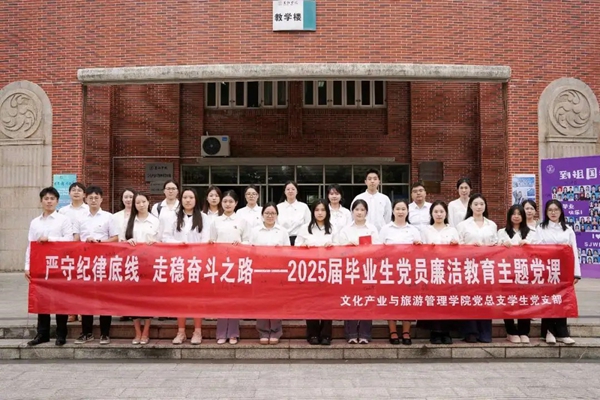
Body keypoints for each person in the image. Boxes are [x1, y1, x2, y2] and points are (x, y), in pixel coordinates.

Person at [25, 187, 74, 347]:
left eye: (52, 199)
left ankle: (61, 334)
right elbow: (30, 245)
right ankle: (42, 334)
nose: (49, 201)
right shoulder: (35, 222)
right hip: (41, 267)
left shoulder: (63, 220)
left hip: (59, 265)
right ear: (41, 201)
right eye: (46, 199)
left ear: (57, 201)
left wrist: (50, 239)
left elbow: (69, 240)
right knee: (42, 300)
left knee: (60, 300)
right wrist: (27, 266)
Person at [163, 188, 210, 345]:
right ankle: (181, 331)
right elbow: (165, 237)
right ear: (181, 199)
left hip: (197, 263)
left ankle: (197, 331)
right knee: (180, 298)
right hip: (178, 263)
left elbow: (205, 239)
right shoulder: (173, 217)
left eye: (191, 197)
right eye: (185, 197)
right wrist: (178, 244)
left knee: (197, 298)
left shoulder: (203, 217)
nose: (188, 200)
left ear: (196, 200)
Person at [72, 186, 119, 345]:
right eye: (90, 198)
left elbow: (115, 238)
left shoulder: (108, 217)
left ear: (101, 199)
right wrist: (83, 242)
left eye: (96, 198)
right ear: (86, 199)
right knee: (86, 298)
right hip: (85, 262)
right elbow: (76, 239)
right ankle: (86, 332)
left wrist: (99, 242)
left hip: (104, 262)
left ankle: (105, 333)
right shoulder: (80, 218)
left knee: (105, 297)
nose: (93, 200)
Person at [535, 200, 580, 345]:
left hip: (564, 271)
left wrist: (576, 273)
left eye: (556, 210)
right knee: (548, 300)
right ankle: (548, 331)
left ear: (561, 211)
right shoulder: (541, 228)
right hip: (547, 269)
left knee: (562, 300)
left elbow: (574, 251)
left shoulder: (568, 229)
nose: (553, 213)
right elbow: (537, 247)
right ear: (546, 212)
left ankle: (562, 332)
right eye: (550, 210)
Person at [210, 190, 250, 345]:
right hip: (220, 264)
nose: (227, 204)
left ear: (236, 203)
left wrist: (240, 244)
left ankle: (233, 333)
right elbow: (211, 240)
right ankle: (221, 333)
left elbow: (248, 241)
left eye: (231, 202)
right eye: (225, 201)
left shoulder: (242, 221)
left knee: (234, 299)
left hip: (237, 264)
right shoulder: (215, 221)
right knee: (221, 299)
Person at [379, 199, 422, 345]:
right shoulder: (385, 229)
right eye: (397, 209)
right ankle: (392, 331)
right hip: (390, 271)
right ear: (393, 211)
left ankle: (406, 332)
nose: (400, 211)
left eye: (403, 209)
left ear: (407, 211)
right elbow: (378, 250)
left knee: (407, 301)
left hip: (408, 271)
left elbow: (420, 251)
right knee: (391, 300)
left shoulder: (413, 230)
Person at [456, 193, 498, 343]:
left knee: (485, 299)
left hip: (487, 267)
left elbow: (496, 244)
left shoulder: (492, 225)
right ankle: (470, 331)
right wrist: (469, 247)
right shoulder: (463, 225)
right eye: (476, 204)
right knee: (469, 298)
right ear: (470, 206)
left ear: (485, 206)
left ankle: (485, 332)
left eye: (481, 204)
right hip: (469, 266)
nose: (479, 207)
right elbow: (457, 245)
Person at [339, 200, 381, 345]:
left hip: (367, 269)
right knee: (350, 300)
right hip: (350, 269)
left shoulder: (372, 229)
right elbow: (339, 250)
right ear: (352, 212)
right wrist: (348, 246)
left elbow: (378, 248)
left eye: (362, 210)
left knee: (366, 300)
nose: (359, 212)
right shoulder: (345, 230)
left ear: (366, 213)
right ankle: (351, 334)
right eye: (356, 209)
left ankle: (364, 334)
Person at [296, 199, 336, 345]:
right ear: (313, 212)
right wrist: (303, 246)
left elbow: (341, 246)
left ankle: (326, 334)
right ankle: (312, 334)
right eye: (317, 210)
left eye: (323, 210)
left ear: (327, 212)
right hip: (309, 271)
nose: (320, 213)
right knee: (311, 302)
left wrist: (333, 245)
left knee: (327, 302)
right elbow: (296, 246)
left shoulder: (333, 228)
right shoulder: (305, 228)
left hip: (329, 270)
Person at [121, 192, 159, 345]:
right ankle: (137, 331)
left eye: (143, 201)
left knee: (148, 299)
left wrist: (154, 243)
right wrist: (127, 242)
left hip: (150, 265)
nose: (141, 205)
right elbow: (121, 241)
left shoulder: (155, 221)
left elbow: (162, 240)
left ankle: (146, 331)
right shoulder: (128, 221)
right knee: (134, 300)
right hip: (132, 265)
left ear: (149, 202)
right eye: (138, 202)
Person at [249, 203, 290, 345]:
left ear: (277, 215)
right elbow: (249, 250)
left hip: (277, 272)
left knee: (275, 301)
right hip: (260, 271)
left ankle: (275, 331)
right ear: (262, 215)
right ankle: (263, 331)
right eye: (267, 213)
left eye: (273, 213)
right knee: (262, 302)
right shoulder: (255, 231)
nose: (270, 216)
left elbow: (289, 252)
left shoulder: (282, 231)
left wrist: (280, 250)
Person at [420, 200, 459, 344]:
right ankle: (435, 332)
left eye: (441, 211)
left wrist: (455, 246)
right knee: (434, 301)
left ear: (446, 214)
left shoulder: (452, 230)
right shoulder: (426, 230)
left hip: (448, 271)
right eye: (436, 211)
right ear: (431, 214)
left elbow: (460, 250)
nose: (439, 214)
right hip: (432, 271)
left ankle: (446, 332)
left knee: (447, 301)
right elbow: (420, 251)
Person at [497, 204, 534, 344]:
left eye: (519, 214)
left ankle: (524, 331)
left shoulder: (531, 232)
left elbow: (539, 249)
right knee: (508, 301)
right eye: (514, 214)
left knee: (525, 301)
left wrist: (528, 245)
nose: (516, 216)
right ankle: (511, 331)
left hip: (525, 272)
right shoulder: (502, 232)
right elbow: (495, 248)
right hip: (507, 272)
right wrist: (502, 244)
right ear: (509, 216)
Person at [58, 181, 89, 323]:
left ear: (84, 194)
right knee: (69, 281)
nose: (76, 192)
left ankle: (82, 310)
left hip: (84, 250)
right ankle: (71, 310)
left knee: (83, 281)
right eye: (73, 190)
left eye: (79, 190)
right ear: (69, 193)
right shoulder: (63, 211)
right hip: (67, 250)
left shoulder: (88, 209)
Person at [277, 181, 311, 245]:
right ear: (284, 192)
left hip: (300, 241)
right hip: (282, 241)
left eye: (293, 189)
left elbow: (308, 224)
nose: (290, 191)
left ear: (297, 191)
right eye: (288, 189)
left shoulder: (304, 207)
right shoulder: (278, 207)